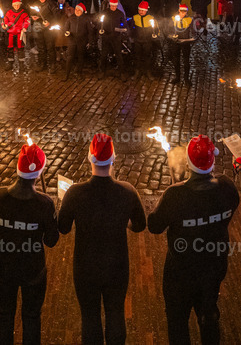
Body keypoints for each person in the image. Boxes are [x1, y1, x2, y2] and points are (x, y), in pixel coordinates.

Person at [148, 135, 239, 345]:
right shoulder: (227, 187)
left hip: (181, 271)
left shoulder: (175, 195)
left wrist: (170, 194)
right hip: (214, 267)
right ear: (213, 161)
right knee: (209, 314)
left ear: (188, 163)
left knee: (177, 321)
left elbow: (154, 225)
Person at [58, 134, 147, 345]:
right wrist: (125, 222)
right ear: (113, 159)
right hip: (117, 266)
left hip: (85, 267)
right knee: (115, 313)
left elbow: (62, 227)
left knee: (90, 316)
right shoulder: (127, 191)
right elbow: (140, 225)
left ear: (90, 158)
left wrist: (63, 205)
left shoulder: (74, 193)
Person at [0, 140, 58, 345]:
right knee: (32, 317)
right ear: (39, 173)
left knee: (5, 316)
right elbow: (51, 241)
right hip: (33, 271)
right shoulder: (44, 204)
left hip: (4, 268)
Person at [98, 0, 128, 79]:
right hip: (106, 36)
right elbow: (100, 23)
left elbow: (124, 24)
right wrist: (100, 29)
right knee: (104, 55)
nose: (113, 7)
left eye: (115, 5)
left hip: (116, 37)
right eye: (112, 5)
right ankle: (102, 71)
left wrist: (123, 29)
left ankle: (122, 72)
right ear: (109, 5)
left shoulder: (120, 13)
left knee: (118, 55)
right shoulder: (105, 12)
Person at [64, 2, 93, 80]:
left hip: (82, 41)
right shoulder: (71, 18)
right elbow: (66, 28)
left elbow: (90, 31)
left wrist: (90, 42)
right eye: (76, 9)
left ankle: (79, 72)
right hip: (72, 40)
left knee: (80, 57)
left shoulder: (86, 19)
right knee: (70, 57)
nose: (77, 11)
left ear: (82, 11)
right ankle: (67, 74)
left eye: (79, 10)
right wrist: (67, 33)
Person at [130, 1, 158, 77]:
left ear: (146, 10)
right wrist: (132, 36)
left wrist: (155, 35)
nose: (141, 12)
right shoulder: (135, 17)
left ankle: (148, 71)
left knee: (147, 56)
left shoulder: (151, 18)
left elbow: (156, 28)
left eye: (142, 10)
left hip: (147, 40)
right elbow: (132, 28)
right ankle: (137, 71)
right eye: (139, 10)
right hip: (137, 40)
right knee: (137, 56)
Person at [170, 3, 195, 85]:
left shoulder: (190, 20)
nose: (183, 13)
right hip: (176, 41)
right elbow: (169, 30)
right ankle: (177, 77)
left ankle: (186, 78)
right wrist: (171, 36)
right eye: (181, 11)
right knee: (176, 60)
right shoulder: (173, 19)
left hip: (185, 42)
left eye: (184, 12)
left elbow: (193, 31)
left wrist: (192, 37)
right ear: (179, 11)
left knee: (186, 60)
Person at [3, 0, 30, 66]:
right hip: (11, 34)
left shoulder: (23, 13)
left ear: (20, 5)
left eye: (18, 5)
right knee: (10, 48)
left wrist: (25, 27)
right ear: (13, 5)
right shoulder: (9, 12)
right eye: (15, 5)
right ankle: (10, 62)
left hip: (19, 34)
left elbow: (27, 20)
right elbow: (5, 20)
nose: (16, 6)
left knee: (20, 48)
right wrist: (4, 25)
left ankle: (21, 63)